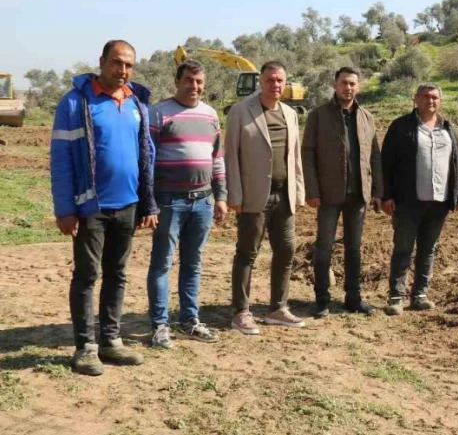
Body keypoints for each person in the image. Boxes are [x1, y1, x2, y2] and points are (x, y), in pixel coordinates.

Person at [50, 40, 158, 376]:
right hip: (89, 208)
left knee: (118, 274)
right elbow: (61, 160)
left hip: (127, 205)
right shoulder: (75, 102)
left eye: (128, 65)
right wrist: (65, 209)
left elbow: (147, 157)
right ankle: (86, 347)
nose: (122, 70)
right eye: (116, 63)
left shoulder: (137, 103)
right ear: (102, 62)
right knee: (87, 275)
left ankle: (111, 340)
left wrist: (147, 202)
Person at [146, 60, 227, 348]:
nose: (195, 86)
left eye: (199, 81)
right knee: (162, 264)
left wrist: (221, 197)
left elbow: (217, 158)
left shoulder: (210, 115)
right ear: (176, 81)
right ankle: (159, 325)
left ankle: (189, 321)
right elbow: (148, 162)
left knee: (193, 264)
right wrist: (151, 204)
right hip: (170, 203)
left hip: (203, 201)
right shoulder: (158, 113)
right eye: (189, 80)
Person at [224, 61, 306, 334]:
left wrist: (299, 192)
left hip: (285, 197)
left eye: (280, 80)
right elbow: (231, 157)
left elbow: (295, 157)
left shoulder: (290, 114)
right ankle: (241, 312)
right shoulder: (240, 112)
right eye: (270, 80)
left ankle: (277, 308)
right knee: (247, 254)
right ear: (260, 81)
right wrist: (233, 194)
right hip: (253, 197)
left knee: (285, 251)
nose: (275, 85)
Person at [380, 83, 458, 316]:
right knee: (403, 248)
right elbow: (386, 163)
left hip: (439, 202)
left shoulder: (448, 129)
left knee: (428, 249)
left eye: (435, 97)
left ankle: (419, 295)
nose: (431, 101)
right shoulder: (401, 127)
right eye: (426, 97)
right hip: (408, 201)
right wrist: (386, 196)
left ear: (440, 101)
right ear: (415, 99)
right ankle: (396, 297)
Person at [303, 67, 383, 318]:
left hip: (358, 195)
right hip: (328, 194)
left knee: (354, 248)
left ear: (358, 86)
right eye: (344, 83)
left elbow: (374, 157)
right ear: (334, 85)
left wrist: (377, 191)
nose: (348, 88)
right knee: (324, 247)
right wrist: (312, 190)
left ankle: (353, 298)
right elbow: (308, 155)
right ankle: (322, 300)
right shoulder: (318, 116)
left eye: (352, 84)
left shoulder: (367, 118)